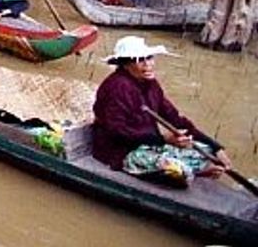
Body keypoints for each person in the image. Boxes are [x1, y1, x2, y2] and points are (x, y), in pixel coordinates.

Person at [92, 36, 232, 185]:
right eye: (140, 60)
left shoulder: (150, 84)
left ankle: (191, 171)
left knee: (207, 151)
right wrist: (164, 140)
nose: (148, 65)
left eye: (149, 58)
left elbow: (176, 119)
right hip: (121, 152)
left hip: (150, 144)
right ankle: (193, 172)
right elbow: (117, 132)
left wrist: (216, 147)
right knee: (177, 170)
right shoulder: (117, 87)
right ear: (125, 65)